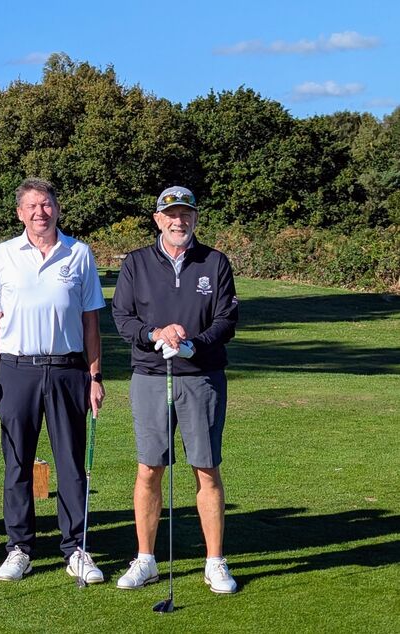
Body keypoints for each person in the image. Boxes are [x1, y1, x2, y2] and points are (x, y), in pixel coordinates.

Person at [111, 185, 239, 594]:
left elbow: (226, 320)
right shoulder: (136, 263)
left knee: (205, 467)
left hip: (201, 377)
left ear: (195, 217)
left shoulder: (215, 262)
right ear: (157, 219)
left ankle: (214, 561)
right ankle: (146, 559)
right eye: (170, 214)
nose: (178, 220)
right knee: (150, 468)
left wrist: (192, 344)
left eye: (185, 213)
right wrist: (155, 334)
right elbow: (123, 318)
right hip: (150, 375)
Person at [0, 177, 106, 583]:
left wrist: (95, 375)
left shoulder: (79, 253)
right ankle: (19, 547)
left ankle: (76, 547)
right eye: (32, 205)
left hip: (69, 370)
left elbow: (90, 322)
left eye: (47, 204)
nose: (40, 212)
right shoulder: (3, 255)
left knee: (70, 464)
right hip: (17, 371)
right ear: (20, 213)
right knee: (17, 463)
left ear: (57, 208)